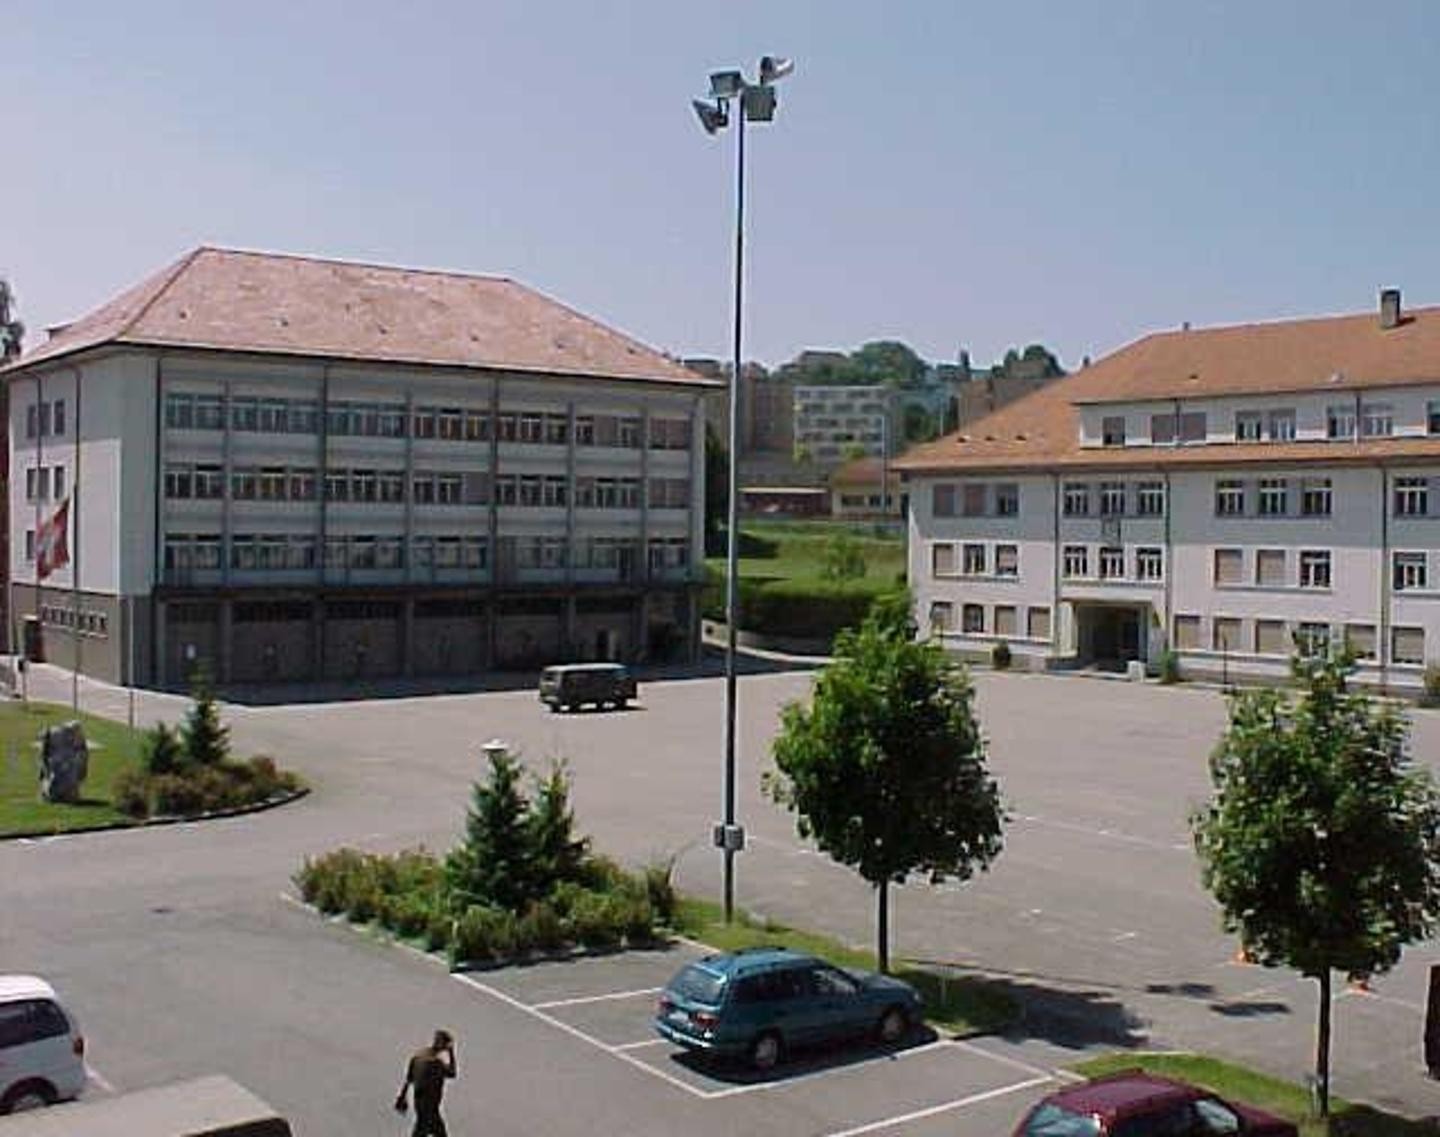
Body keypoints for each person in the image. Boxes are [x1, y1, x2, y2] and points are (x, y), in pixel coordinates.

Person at [395, 1029, 457, 1137]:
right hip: (430, 1108)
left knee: (427, 1131)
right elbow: (452, 1073)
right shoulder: (435, 1063)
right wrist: (451, 1052)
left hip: (419, 1103)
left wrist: (402, 1097)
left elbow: (408, 1080)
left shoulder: (418, 1056)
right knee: (426, 1131)